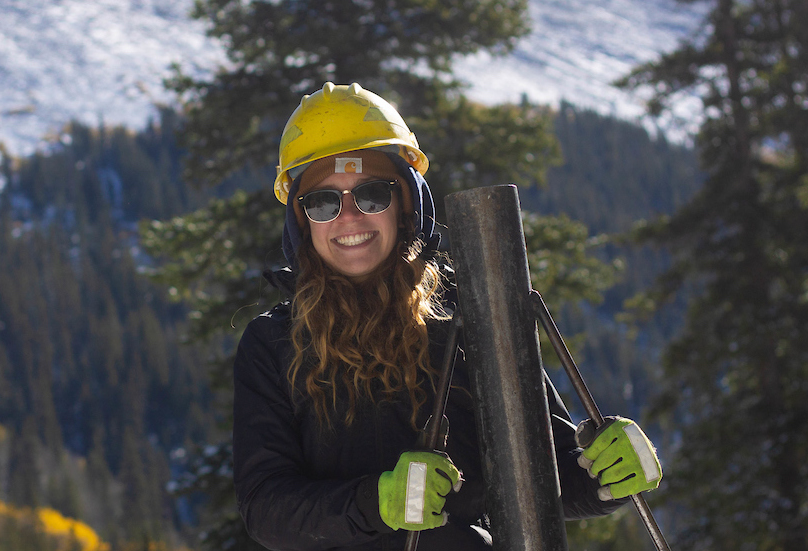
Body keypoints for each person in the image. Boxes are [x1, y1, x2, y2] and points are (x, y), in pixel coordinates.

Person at [232, 82, 662, 550]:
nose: (349, 217)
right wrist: (376, 502)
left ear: (407, 203)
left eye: (373, 194)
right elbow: (266, 507)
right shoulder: (273, 344)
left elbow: (545, 477)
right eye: (323, 202)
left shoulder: (472, 319)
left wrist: (606, 475)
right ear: (300, 220)